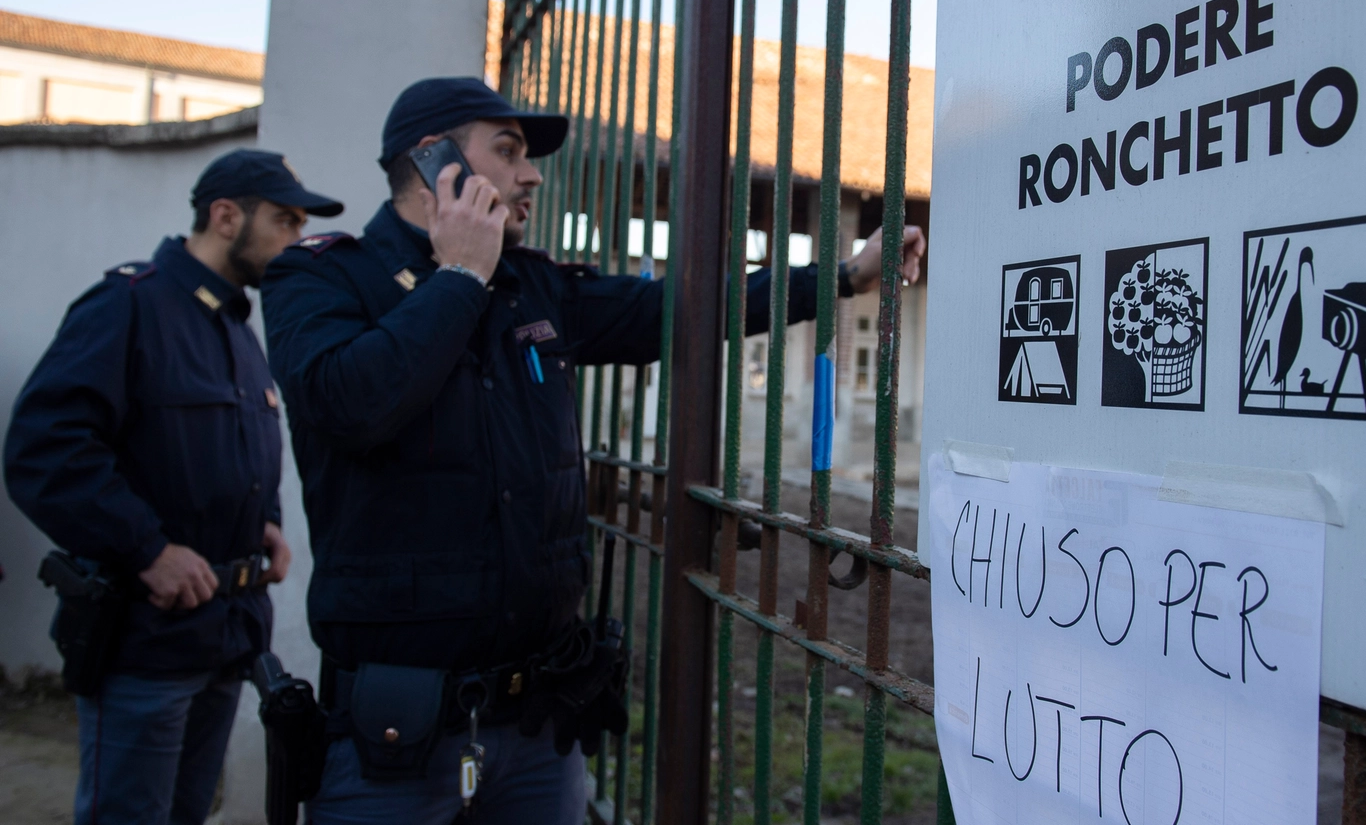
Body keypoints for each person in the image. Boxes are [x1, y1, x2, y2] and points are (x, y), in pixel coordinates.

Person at [259, 76, 924, 824]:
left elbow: (686, 308)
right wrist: (458, 277)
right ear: (432, 159)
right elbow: (351, 406)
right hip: (394, 744)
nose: (530, 173)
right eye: (507, 151)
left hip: (540, 726)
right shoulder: (320, 276)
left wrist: (842, 276)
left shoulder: (531, 286)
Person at [4, 150, 344, 825]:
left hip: (225, 636)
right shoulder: (129, 304)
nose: (296, 241)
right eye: (284, 220)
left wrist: (264, 525)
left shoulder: (235, 326)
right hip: (145, 645)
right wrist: (148, 549)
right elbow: (45, 451)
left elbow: (225, 452)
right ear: (225, 216)